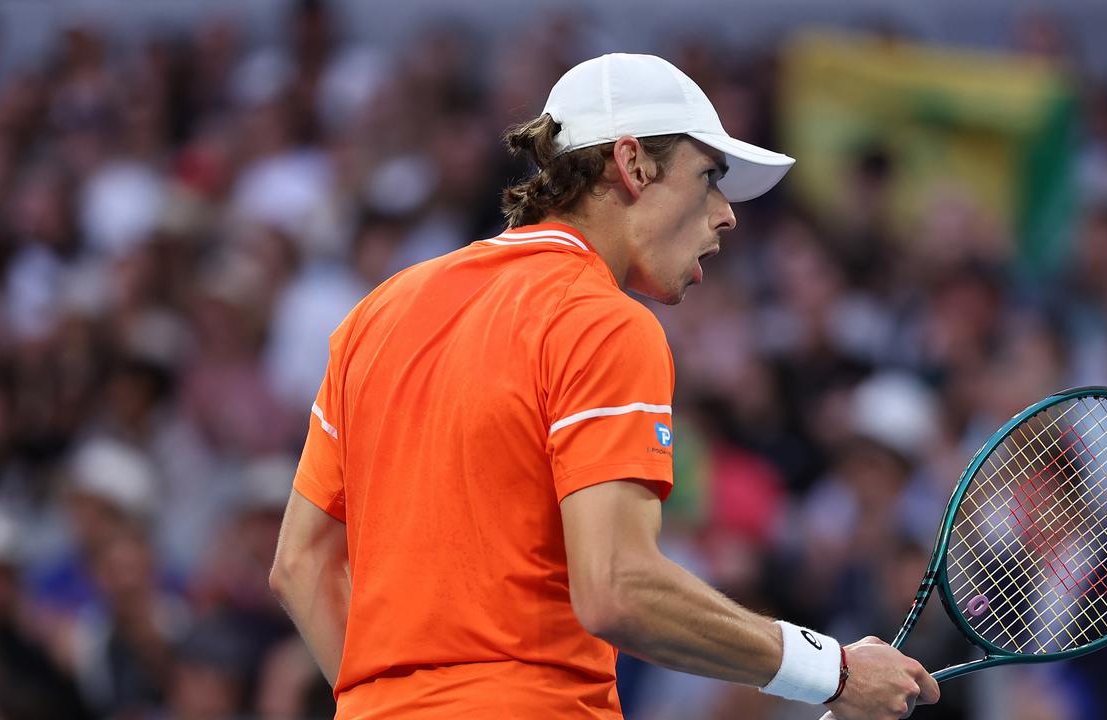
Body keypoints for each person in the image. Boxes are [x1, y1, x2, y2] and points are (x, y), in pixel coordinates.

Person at [269, 52, 939, 719]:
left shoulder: (377, 314)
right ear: (632, 164)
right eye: (708, 177)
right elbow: (617, 586)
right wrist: (835, 670)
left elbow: (301, 566)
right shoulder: (604, 322)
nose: (726, 214)